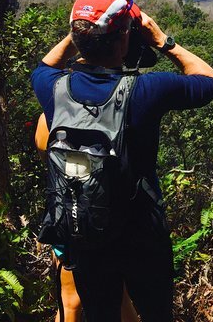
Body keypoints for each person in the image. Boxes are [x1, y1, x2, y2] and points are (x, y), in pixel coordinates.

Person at [31, 0, 213, 321]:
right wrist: (163, 40)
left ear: (78, 38)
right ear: (124, 37)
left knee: (100, 313)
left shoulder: (53, 88)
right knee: (154, 312)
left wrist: (81, 31)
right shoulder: (147, 92)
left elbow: (44, 65)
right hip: (141, 235)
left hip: (84, 230)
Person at [34, 114, 139, 322]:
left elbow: (47, 157)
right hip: (114, 224)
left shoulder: (49, 117)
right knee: (121, 298)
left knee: (70, 301)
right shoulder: (116, 109)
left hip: (70, 221)